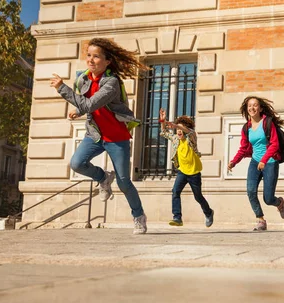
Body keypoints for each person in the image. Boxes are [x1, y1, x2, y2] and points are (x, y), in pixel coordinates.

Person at [50, 38, 147, 235]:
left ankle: (139, 216)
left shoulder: (111, 83)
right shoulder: (83, 79)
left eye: (96, 56)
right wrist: (78, 111)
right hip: (94, 134)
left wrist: (62, 88)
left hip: (116, 137)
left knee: (123, 182)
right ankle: (103, 177)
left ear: (107, 61)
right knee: (77, 163)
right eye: (89, 55)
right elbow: (85, 103)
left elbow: (90, 104)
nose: (91, 60)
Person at [228, 96, 284, 231]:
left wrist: (264, 160)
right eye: (249, 106)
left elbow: (274, 144)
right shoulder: (246, 127)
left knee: (268, 198)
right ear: (246, 108)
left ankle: (279, 202)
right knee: (250, 191)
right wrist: (234, 162)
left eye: (255, 105)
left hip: (270, 162)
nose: (252, 108)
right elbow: (243, 148)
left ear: (260, 108)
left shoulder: (267, 123)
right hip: (255, 162)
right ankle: (260, 220)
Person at [159, 108, 214, 228]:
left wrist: (174, 125)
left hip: (194, 173)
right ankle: (177, 217)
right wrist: (163, 121)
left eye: (181, 129)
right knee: (175, 192)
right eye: (177, 129)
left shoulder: (191, 138)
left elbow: (190, 132)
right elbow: (164, 132)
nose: (179, 132)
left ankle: (209, 212)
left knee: (198, 196)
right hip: (182, 172)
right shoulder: (175, 140)